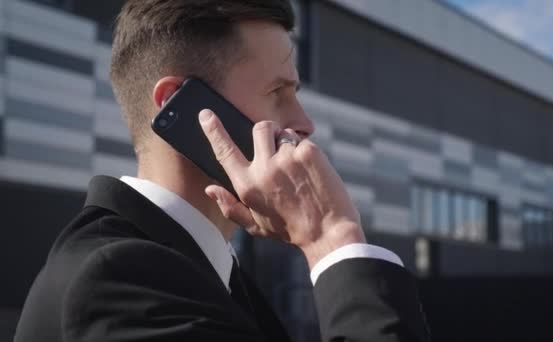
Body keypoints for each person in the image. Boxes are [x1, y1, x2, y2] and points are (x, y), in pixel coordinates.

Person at [14, 1, 430, 341]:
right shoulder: (116, 280)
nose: (304, 122)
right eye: (276, 93)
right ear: (182, 105)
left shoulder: (205, 273)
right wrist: (334, 238)